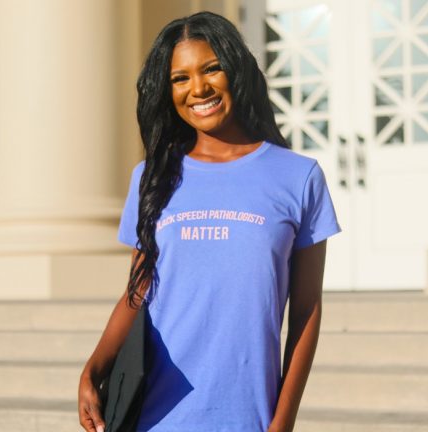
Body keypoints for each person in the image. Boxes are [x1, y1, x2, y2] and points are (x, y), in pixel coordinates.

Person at [78, 10, 342, 432]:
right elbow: (136, 291)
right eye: (180, 78)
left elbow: (307, 311)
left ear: (234, 69)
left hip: (248, 416)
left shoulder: (298, 176)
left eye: (210, 69)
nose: (197, 88)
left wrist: (284, 419)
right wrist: (93, 368)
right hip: (155, 416)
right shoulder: (151, 178)